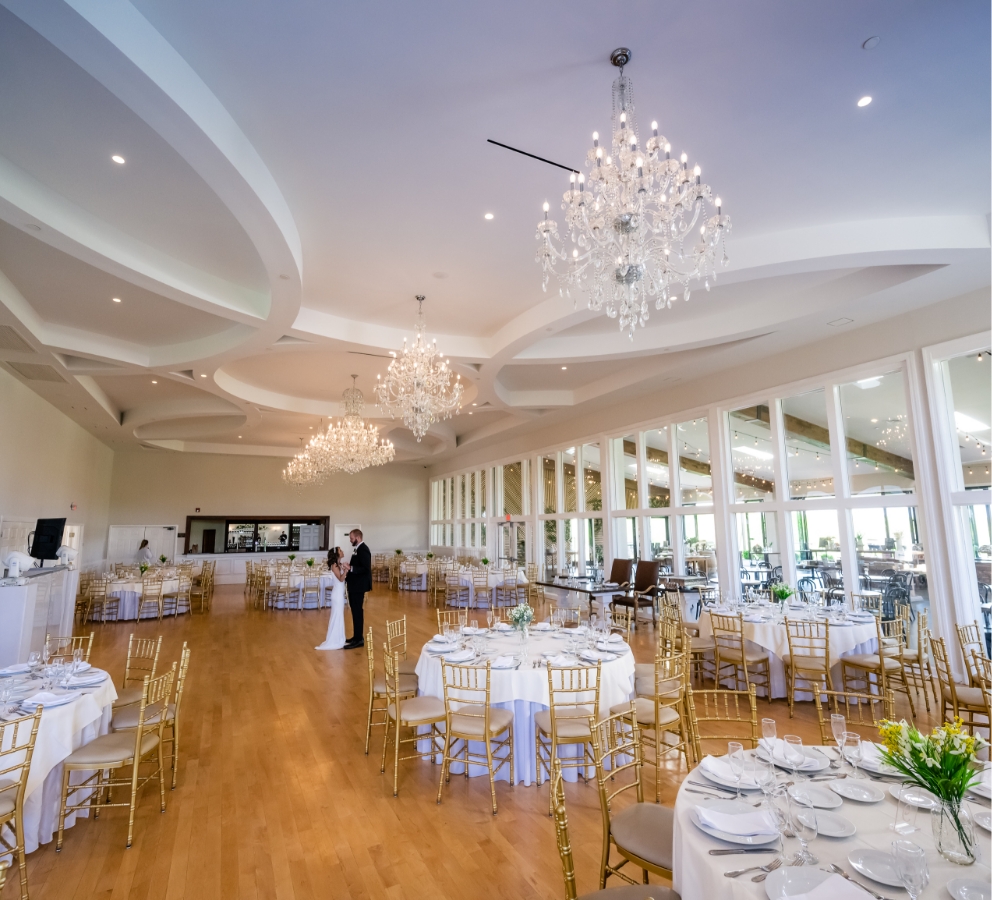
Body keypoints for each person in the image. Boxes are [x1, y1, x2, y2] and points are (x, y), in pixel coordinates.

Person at [315, 547, 349, 650]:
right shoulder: (334, 565)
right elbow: (340, 578)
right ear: (336, 554)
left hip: (339, 593)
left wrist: (344, 567)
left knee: (339, 616)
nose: (342, 551)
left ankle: (340, 638)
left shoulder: (338, 564)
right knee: (336, 616)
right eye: (340, 551)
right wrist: (346, 570)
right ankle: (335, 640)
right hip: (337, 595)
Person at [344, 529, 371, 648]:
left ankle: (359, 639)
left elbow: (366, 568)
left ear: (358, 538)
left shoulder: (363, 549)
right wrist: (350, 567)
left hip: (359, 586)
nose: (350, 540)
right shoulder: (358, 549)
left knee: (357, 611)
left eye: (351, 538)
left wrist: (351, 569)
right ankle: (356, 636)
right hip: (355, 585)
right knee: (355, 611)